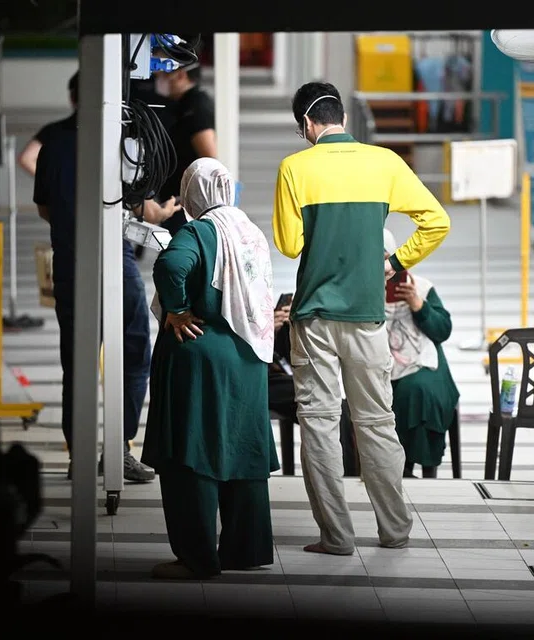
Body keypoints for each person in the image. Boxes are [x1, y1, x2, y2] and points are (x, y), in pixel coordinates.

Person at [272, 81, 451, 556]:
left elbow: (290, 245)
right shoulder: (384, 163)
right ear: (343, 120)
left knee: (320, 423)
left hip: (313, 319)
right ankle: (394, 530)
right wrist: (393, 262)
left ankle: (336, 536)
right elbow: (437, 221)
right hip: (368, 316)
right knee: (376, 422)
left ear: (307, 125)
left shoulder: (295, 167)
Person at [141, 158, 279, 580]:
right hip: (248, 358)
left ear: (194, 193)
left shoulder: (200, 230)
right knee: (241, 451)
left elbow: (169, 266)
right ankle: (244, 550)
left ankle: (197, 557)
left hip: (200, 357)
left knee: (193, 453)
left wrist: (179, 310)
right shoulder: (248, 231)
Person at [32, 99, 167, 484]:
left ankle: (80, 454)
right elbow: (137, 202)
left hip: (70, 261)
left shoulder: (53, 144)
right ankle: (119, 449)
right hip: (114, 258)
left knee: (77, 358)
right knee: (136, 349)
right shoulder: (119, 141)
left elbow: (44, 207)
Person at [382, 229, 460, 479]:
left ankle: (419, 466)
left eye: (384, 259)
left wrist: (417, 305)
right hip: (378, 363)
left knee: (418, 391)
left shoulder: (422, 288)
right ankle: (391, 467)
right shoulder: (357, 291)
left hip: (426, 364)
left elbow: (443, 330)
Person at [132, 59, 217, 258]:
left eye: (162, 73)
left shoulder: (195, 106)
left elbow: (210, 158)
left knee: (180, 260)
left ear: (180, 75)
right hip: (175, 200)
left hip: (186, 205)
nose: (158, 79)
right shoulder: (180, 105)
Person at [269, 295, 359, 477]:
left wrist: (293, 328)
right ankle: (336, 474)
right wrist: (265, 330)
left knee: (338, 404)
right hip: (260, 380)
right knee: (322, 394)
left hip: (280, 378)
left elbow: (288, 359)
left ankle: (348, 472)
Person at [18, 72, 79, 177]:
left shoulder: (54, 131)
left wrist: (51, 181)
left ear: (72, 98)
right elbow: (25, 158)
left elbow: (26, 158)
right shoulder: (109, 131)